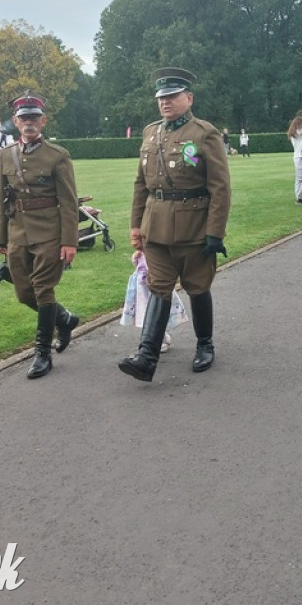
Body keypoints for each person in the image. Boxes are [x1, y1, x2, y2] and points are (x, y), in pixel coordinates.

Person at [118, 67, 231, 382]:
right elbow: (141, 184)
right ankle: (146, 357)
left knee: (197, 287)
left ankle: (205, 344)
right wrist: (135, 225)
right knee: (159, 288)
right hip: (155, 227)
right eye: (161, 97)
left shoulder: (204, 133)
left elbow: (220, 188)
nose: (165, 102)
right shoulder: (150, 132)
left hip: (193, 228)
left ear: (189, 98)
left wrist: (215, 233)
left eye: (172, 96)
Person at [0, 92, 80, 379]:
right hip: (18, 233)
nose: (29, 122)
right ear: (16, 121)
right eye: (24, 118)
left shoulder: (57, 155)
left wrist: (69, 241)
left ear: (43, 121)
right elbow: (1, 199)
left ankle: (42, 353)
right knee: (23, 293)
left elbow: (69, 202)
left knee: (43, 290)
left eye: (34, 117)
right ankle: (64, 319)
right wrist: (0, 239)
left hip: (49, 233)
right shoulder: (6, 155)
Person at [120, 250, 188, 353]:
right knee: (146, 316)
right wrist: (135, 258)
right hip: (142, 291)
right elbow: (138, 265)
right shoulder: (141, 254)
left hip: (154, 288)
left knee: (156, 315)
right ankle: (150, 341)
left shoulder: (155, 254)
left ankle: (160, 339)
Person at [287, 115, 302, 204]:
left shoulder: (296, 133)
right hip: (301, 157)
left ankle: (299, 196)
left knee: (301, 178)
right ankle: (299, 198)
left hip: (300, 156)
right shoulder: (298, 132)